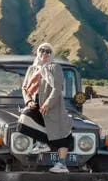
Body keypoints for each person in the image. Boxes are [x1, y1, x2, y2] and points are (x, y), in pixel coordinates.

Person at [16, 43, 74, 173]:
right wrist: (29, 101)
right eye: (42, 51)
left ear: (51, 54)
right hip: (35, 103)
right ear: (38, 53)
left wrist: (48, 103)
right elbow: (25, 88)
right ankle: (43, 143)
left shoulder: (55, 67)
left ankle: (61, 164)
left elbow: (57, 88)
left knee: (61, 133)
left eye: (48, 52)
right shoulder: (32, 69)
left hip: (52, 105)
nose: (45, 54)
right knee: (24, 119)